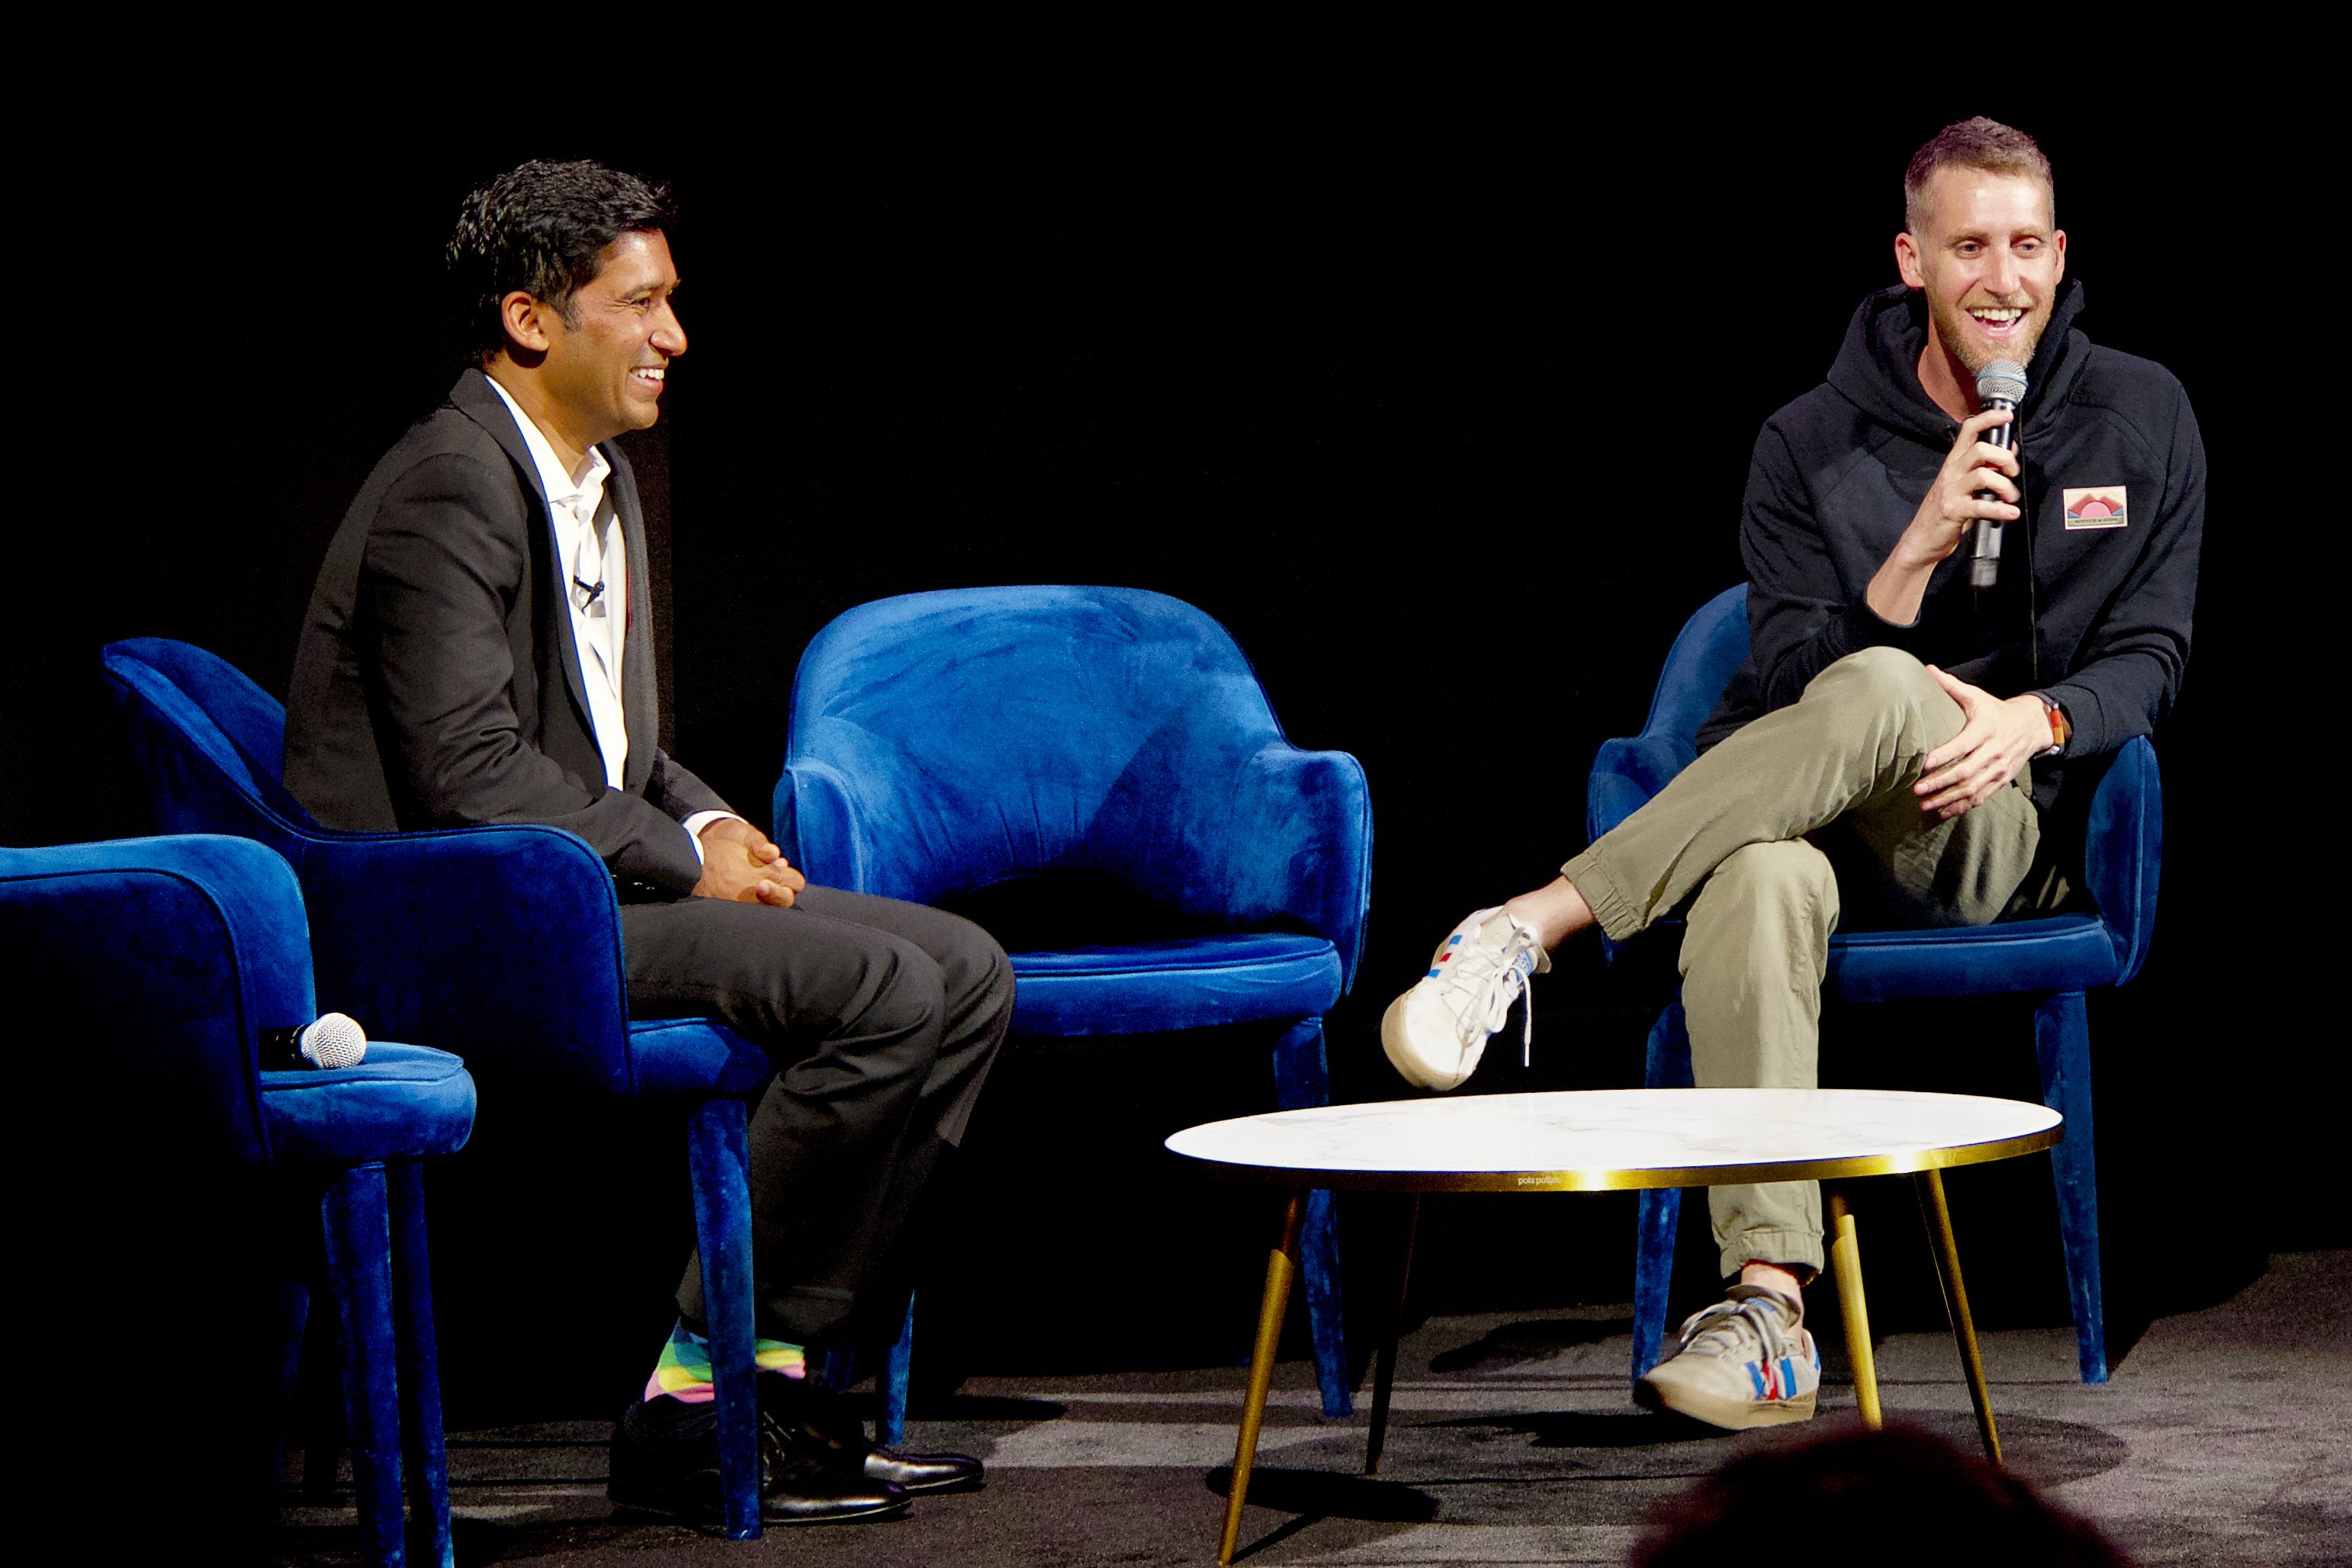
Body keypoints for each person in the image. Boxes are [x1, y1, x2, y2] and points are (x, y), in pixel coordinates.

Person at [1381, 117, 2202, 1430]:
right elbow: (1788, 674)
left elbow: (2156, 652)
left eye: (2029, 244)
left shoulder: (2140, 411)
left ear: (2062, 255)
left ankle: (1532, 925)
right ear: (1913, 259)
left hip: (1992, 824)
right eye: (1971, 245)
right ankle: (1768, 1309)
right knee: (1763, 865)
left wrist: (2038, 722)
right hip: (1814, 815)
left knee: (1880, 697)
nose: (2004, 277)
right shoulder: (1808, 441)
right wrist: (1916, 552)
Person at [284, 159, 1014, 1528]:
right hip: (452, 916)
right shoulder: (449, 487)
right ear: (531, 319)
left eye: (672, 300)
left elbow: (603, 752)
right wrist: (688, 865)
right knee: (881, 988)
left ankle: (778, 1384)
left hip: (562, 883)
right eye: (643, 303)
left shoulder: (599, 479)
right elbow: (467, 775)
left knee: (965, 970)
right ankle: (702, 1403)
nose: (675, 334)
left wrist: (711, 817)